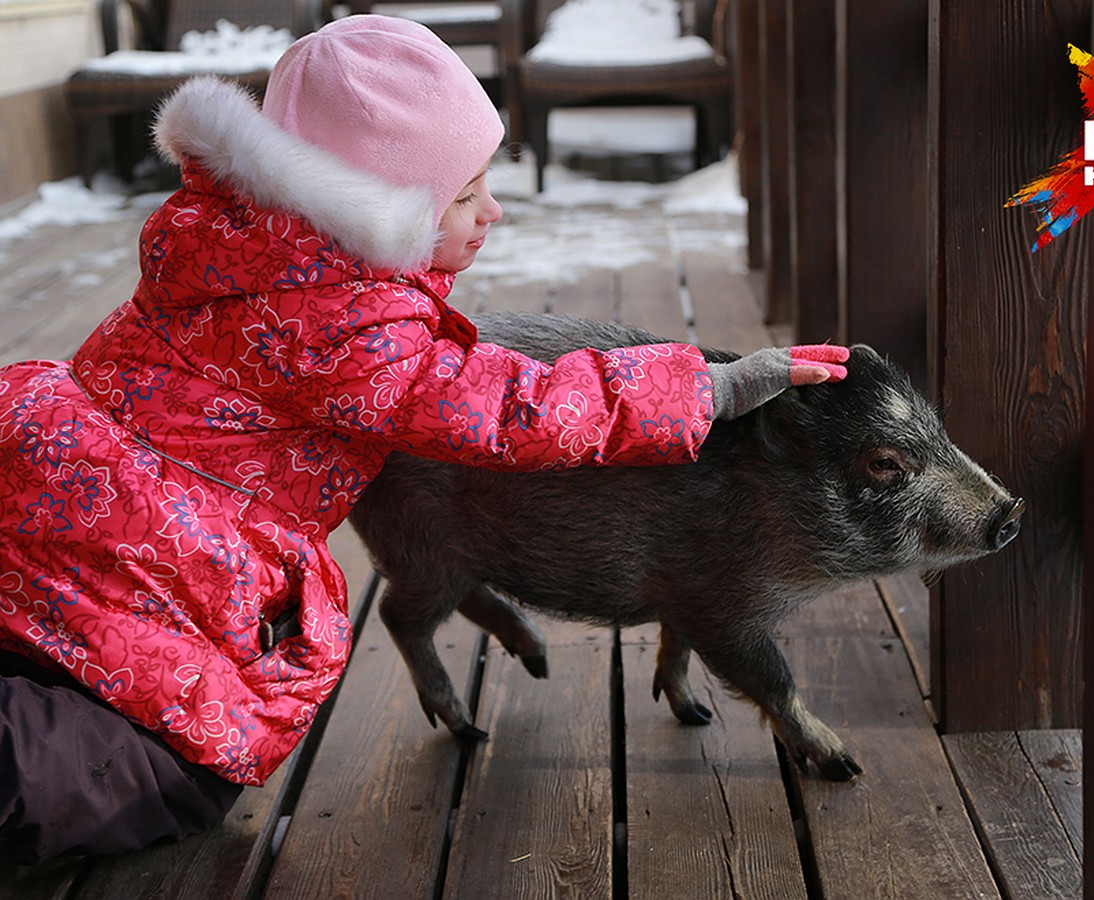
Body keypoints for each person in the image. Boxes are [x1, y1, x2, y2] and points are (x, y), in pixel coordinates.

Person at [0, 15, 848, 863]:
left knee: (38, 631)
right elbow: (518, 409)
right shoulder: (347, 326)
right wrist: (712, 385)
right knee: (180, 763)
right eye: (466, 194)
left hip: (54, 475)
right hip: (151, 543)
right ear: (384, 207)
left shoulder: (228, 235)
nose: (494, 211)